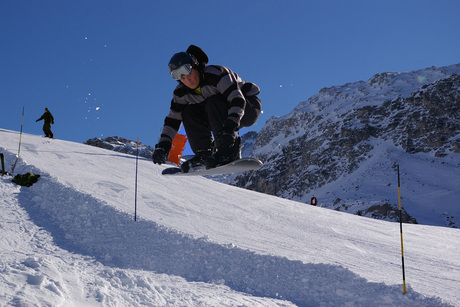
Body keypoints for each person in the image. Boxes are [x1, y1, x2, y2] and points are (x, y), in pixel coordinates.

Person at [152, 45, 261, 172]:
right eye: (181, 77)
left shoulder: (217, 74)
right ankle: (204, 154)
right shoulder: (181, 93)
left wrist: (230, 127)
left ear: (195, 65)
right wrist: (164, 145)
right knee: (188, 112)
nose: (188, 80)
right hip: (216, 115)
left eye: (188, 72)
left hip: (247, 107)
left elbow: (237, 99)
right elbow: (173, 119)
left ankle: (228, 151)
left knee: (213, 102)